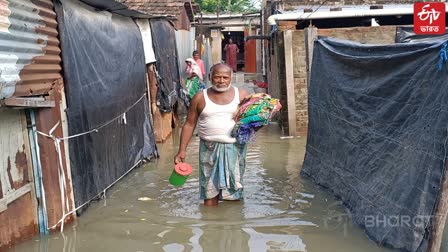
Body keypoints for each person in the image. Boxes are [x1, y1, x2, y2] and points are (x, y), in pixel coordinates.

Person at [174, 63, 249, 207]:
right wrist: (182, 150)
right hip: (208, 149)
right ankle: (209, 225)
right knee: (209, 193)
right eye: (217, 77)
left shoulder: (242, 96)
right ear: (210, 78)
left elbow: (253, 120)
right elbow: (189, 124)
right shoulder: (199, 98)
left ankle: (233, 226)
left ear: (231, 78)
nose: (221, 81)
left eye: (225, 77)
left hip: (235, 148)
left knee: (234, 190)